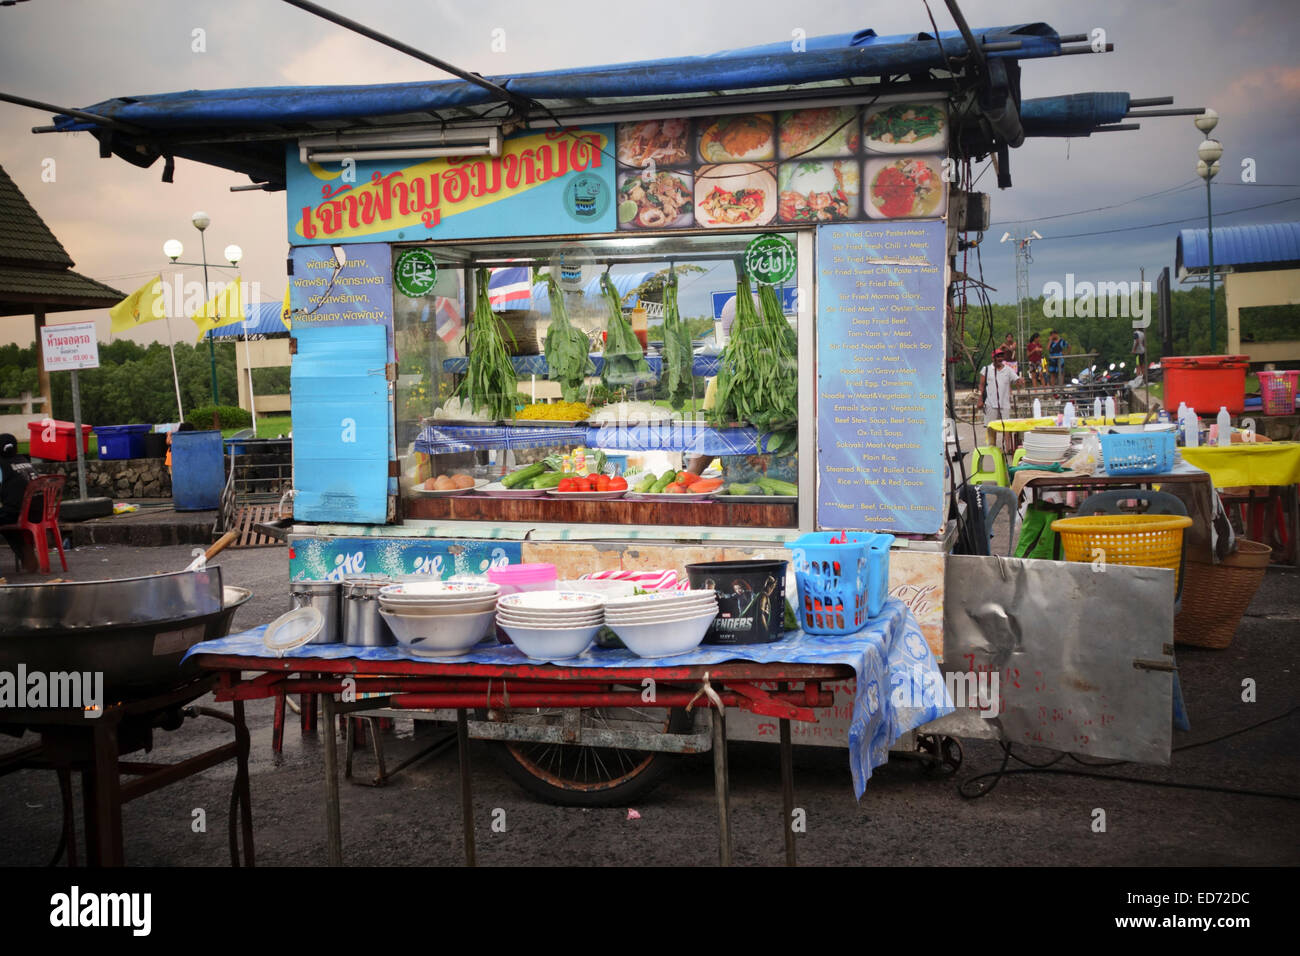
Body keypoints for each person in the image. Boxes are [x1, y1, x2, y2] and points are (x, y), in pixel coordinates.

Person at [1, 433, 38, 568]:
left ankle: (25, 554)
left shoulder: (2, 465)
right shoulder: (24, 460)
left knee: (6, 520)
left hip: (18, 512)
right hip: (39, 512)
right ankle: (26, 554)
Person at [978, 349, 1022, 452]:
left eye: (1001, 356)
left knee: (1006, 427)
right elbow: (981, 385)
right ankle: (992, 448)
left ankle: (1008, 448)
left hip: (1005, 403)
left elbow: (1016, 380)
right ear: (993, 358)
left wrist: (1020, 381)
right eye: (998, 356)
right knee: (991, 427)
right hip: (990, 403)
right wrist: (980, 399)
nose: (1000, 358)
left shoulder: (1008, 369)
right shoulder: (986, 369)